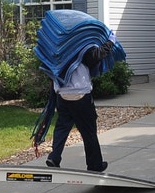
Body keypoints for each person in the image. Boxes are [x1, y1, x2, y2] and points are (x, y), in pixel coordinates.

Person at [45, 38, 115, 172]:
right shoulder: (81, 44)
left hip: (62, 93)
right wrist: (110, 42)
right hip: (80, 94)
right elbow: (96, 56)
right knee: (88, 131)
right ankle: (95, 165)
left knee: (62, 127)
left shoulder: (56, 47)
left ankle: (54, 157)